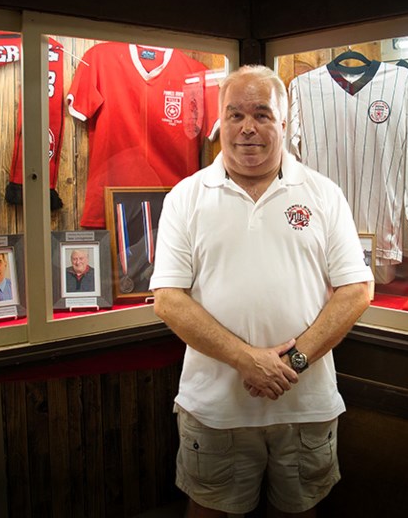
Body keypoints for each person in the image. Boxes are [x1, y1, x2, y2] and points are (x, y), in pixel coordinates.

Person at [151, 65, 374, 517]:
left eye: (262, 114)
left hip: (305, 404)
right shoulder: (185, 197)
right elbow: (168, 299)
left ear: (285, 124)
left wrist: (290, 363)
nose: (247, 127)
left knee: (300, 511)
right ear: (219, 123)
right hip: (215, 408)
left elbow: (357, 290)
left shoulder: (323, 194)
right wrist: (245, 360)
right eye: (234, 115)